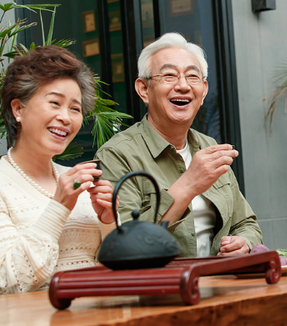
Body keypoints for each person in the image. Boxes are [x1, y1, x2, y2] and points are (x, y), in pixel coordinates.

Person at [96, 33, 262, 257]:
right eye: (169, 75)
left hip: (220, 283)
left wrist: (243, 242)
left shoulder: (208, 146)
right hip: (158, 288)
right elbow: (123, 245)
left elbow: (247, 223)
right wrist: (187, 186)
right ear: (144, 89)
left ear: (203, 91)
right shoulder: (117, 155)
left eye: (192, 77)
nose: (183, 86)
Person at [0, 46, 116, 294]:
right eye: (55, 103)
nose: (66, 117)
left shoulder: (79, 181)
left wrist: (109, 222)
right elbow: (10, 281)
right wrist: (59, 206)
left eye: (74, 109)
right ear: (18, 109)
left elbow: (118, 271)